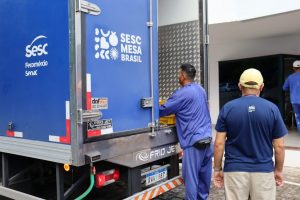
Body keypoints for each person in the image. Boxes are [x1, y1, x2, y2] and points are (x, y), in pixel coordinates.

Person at [214, 68, 287, 200]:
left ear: (239, 86)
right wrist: (278, 171)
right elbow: (279, 147)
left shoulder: (228, 108)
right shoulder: (272, 109)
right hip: (263, 171)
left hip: (234, 170)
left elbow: (219, 144)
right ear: (261, 86)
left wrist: (217, 169)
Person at [160, 63, 212, 200]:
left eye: (179, 74)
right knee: (204, 179)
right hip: (207, 140)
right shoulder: (201, 90)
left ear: (183, 75)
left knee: (191, 180)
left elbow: (163, 110)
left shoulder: (182, 93)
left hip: (193, 143)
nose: (178, 76)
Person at [283, 60, 300, 133]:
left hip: (294, 100)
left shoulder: (290, 77)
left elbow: (284, 88)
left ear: (293, 68)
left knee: (298, 116)